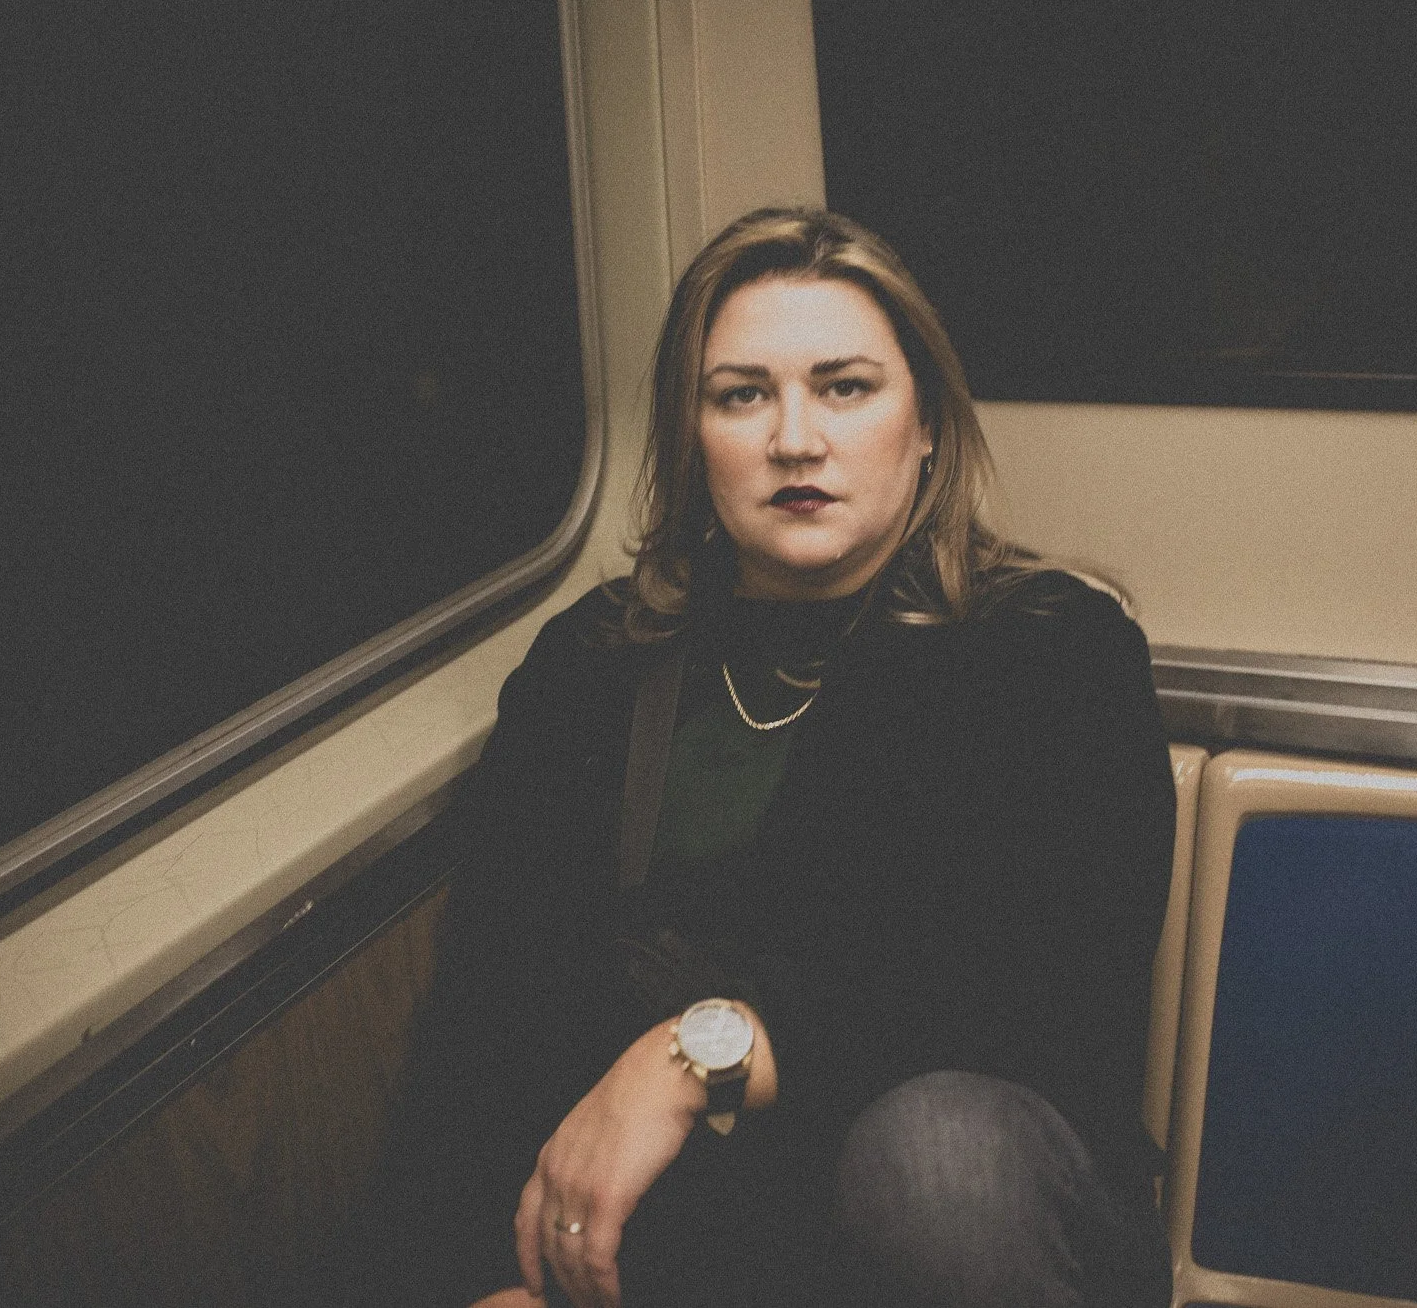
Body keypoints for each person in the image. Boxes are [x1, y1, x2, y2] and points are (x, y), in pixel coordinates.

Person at [366, 207, 1177, 1308]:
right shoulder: (592, 668)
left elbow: (1030, 997)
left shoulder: (1050, 651)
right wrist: (481, 1274)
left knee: (934, 1154)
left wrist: (695, 1055)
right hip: (682, 1240)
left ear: (927, 424)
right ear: (692, 436)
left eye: (844, 386)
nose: (794, 438)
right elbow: (489, 1011)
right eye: (741, 394)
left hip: (961, 1223)